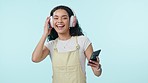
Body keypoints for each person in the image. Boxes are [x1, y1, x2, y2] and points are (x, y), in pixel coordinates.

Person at [32, 5, 102, 83]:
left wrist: (97, 68)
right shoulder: (51, 45)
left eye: (64, 18)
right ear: (51, 22)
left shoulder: (83, 41)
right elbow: (35, 59)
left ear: (72, 21)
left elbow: (97, 73)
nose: (59, 21)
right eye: (56, 18)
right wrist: (45, 34)